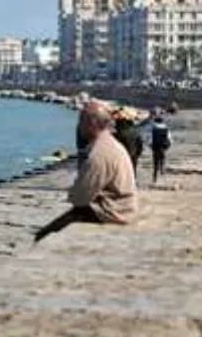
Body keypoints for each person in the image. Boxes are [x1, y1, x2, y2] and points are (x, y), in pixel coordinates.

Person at [34, 100, 139, 242]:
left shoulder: (99, 153)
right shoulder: (109, 143)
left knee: (48, 233)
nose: (78, 126)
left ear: (91, 124)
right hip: (124, 206)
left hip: (115, 211)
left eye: (81, 121)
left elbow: (80, 198)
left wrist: (74, 193)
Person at [112, 108, 143, 177]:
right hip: (133, 155)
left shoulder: (117, 134)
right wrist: (137, 154)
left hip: (122, 157)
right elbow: (140, 144)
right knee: (132, 173)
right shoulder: (135, 131)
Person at [150, 115, 172, 182]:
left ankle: (155, 177)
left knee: (155, 163)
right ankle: (162, 170)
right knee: (162, 159)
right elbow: (169, 139)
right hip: (163, 147)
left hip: (155, 147)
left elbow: (150, 139)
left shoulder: (153, 129)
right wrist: (167, 146)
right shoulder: (166, 129)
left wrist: (150, 146)